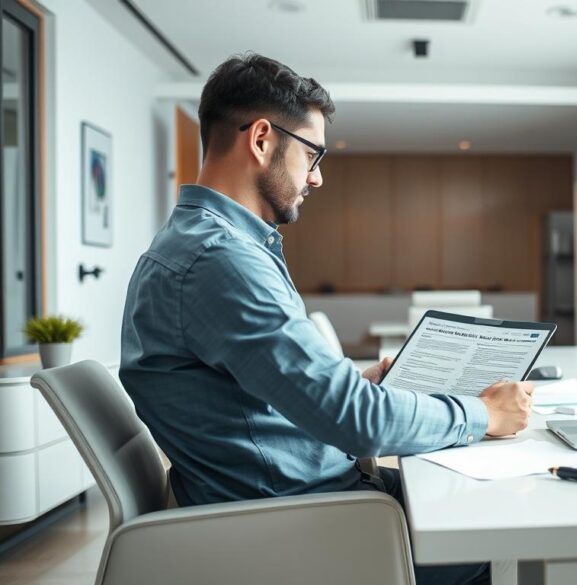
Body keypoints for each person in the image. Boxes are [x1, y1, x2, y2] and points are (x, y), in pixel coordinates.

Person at [119, 52, 533, 585]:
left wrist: (359, 383)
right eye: (312, 155)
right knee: (502, 537)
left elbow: (250, 397)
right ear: (262, 139)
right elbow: (355, 421)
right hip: (306, 525)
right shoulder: (219, 262)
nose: (317, 178)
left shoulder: (206, 249)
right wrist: (482, 414)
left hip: (298, 501)